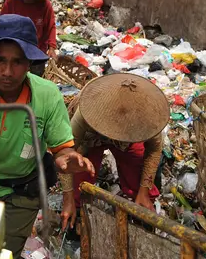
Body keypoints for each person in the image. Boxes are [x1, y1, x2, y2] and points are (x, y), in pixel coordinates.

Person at [0, 14, 94, 259]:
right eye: (0, 61)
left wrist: (66, 160)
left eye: (17, 62)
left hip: (24, 189)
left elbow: (61, 150)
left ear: (29, 64)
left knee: (5, 256)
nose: (7, 71)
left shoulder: (47, 96)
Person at [69, 73, 170, 213]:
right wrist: (68, 199)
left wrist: (143, 192)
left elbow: (154, 149)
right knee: (80, 173)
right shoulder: (86, 111)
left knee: (136, 170)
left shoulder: (148, 116)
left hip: (128, 137)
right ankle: (79, 209)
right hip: (91, 136)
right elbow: (67, 153)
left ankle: (140, 203)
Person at [0, 0, 57, 76]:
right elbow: (2, 23)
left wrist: (52, 47)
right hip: (15, 47)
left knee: (37, 77)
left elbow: (50, 25)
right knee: (16, 76)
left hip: (38, 49)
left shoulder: (45, 5)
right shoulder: (12, 2)